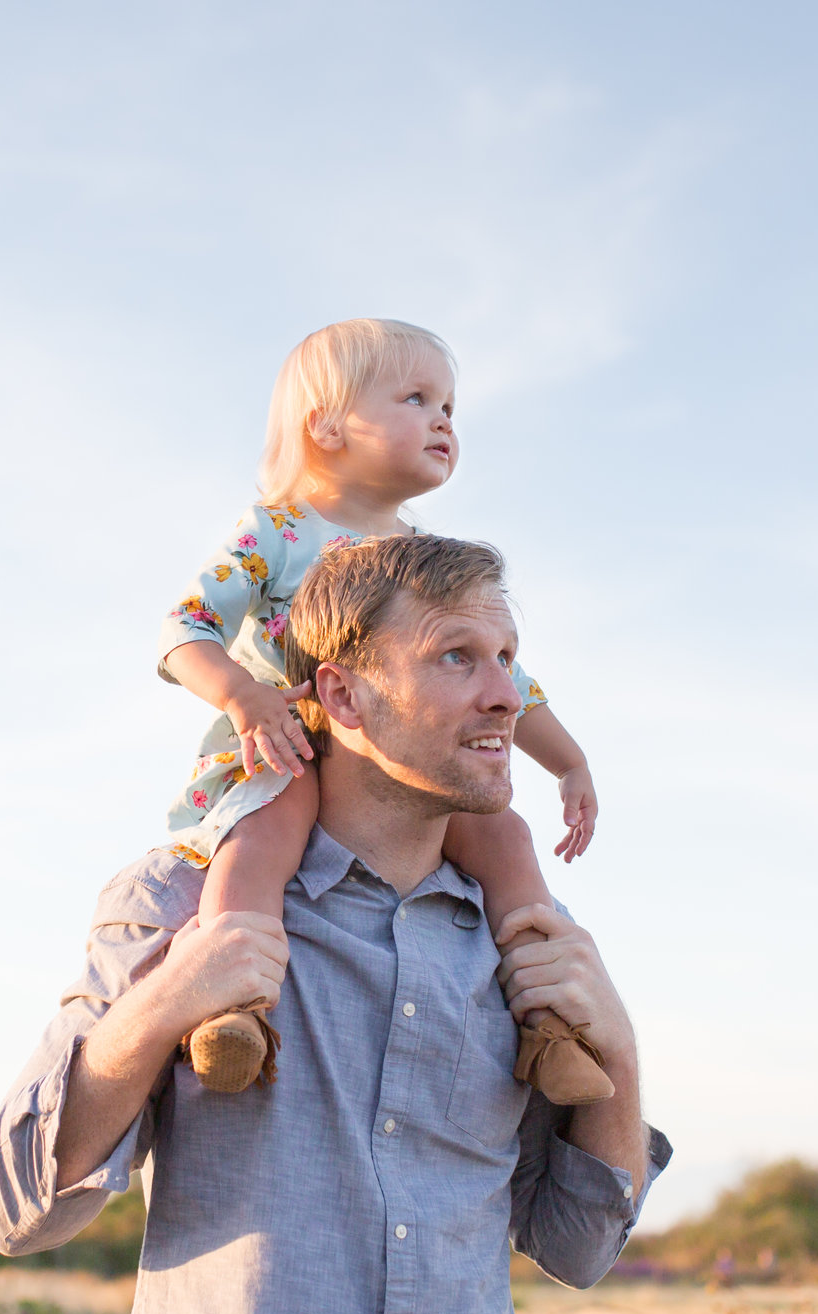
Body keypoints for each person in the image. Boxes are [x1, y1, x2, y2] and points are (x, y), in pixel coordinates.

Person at [0, 532, 672, 1314]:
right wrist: (159, 1010)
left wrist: (620, 1052)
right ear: (341, 692)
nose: (505, 693)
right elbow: (17, 1205)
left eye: (509, 655)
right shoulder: (179, 899)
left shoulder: (522, 939)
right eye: (457, 656)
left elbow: (577, 1244)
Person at [156, 319, 609, 1106]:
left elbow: (510, 679)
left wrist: (567, 761)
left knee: (504, 835)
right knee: (262, 833)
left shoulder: (421, 561)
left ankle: (550, 1025)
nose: (444, 420)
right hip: (297, 742)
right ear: (326, 425)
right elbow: (184, 629)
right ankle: (235, 1010)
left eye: (450, 407)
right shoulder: (278, 532)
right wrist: (247, 696)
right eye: (417, 398)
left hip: (408, 763)